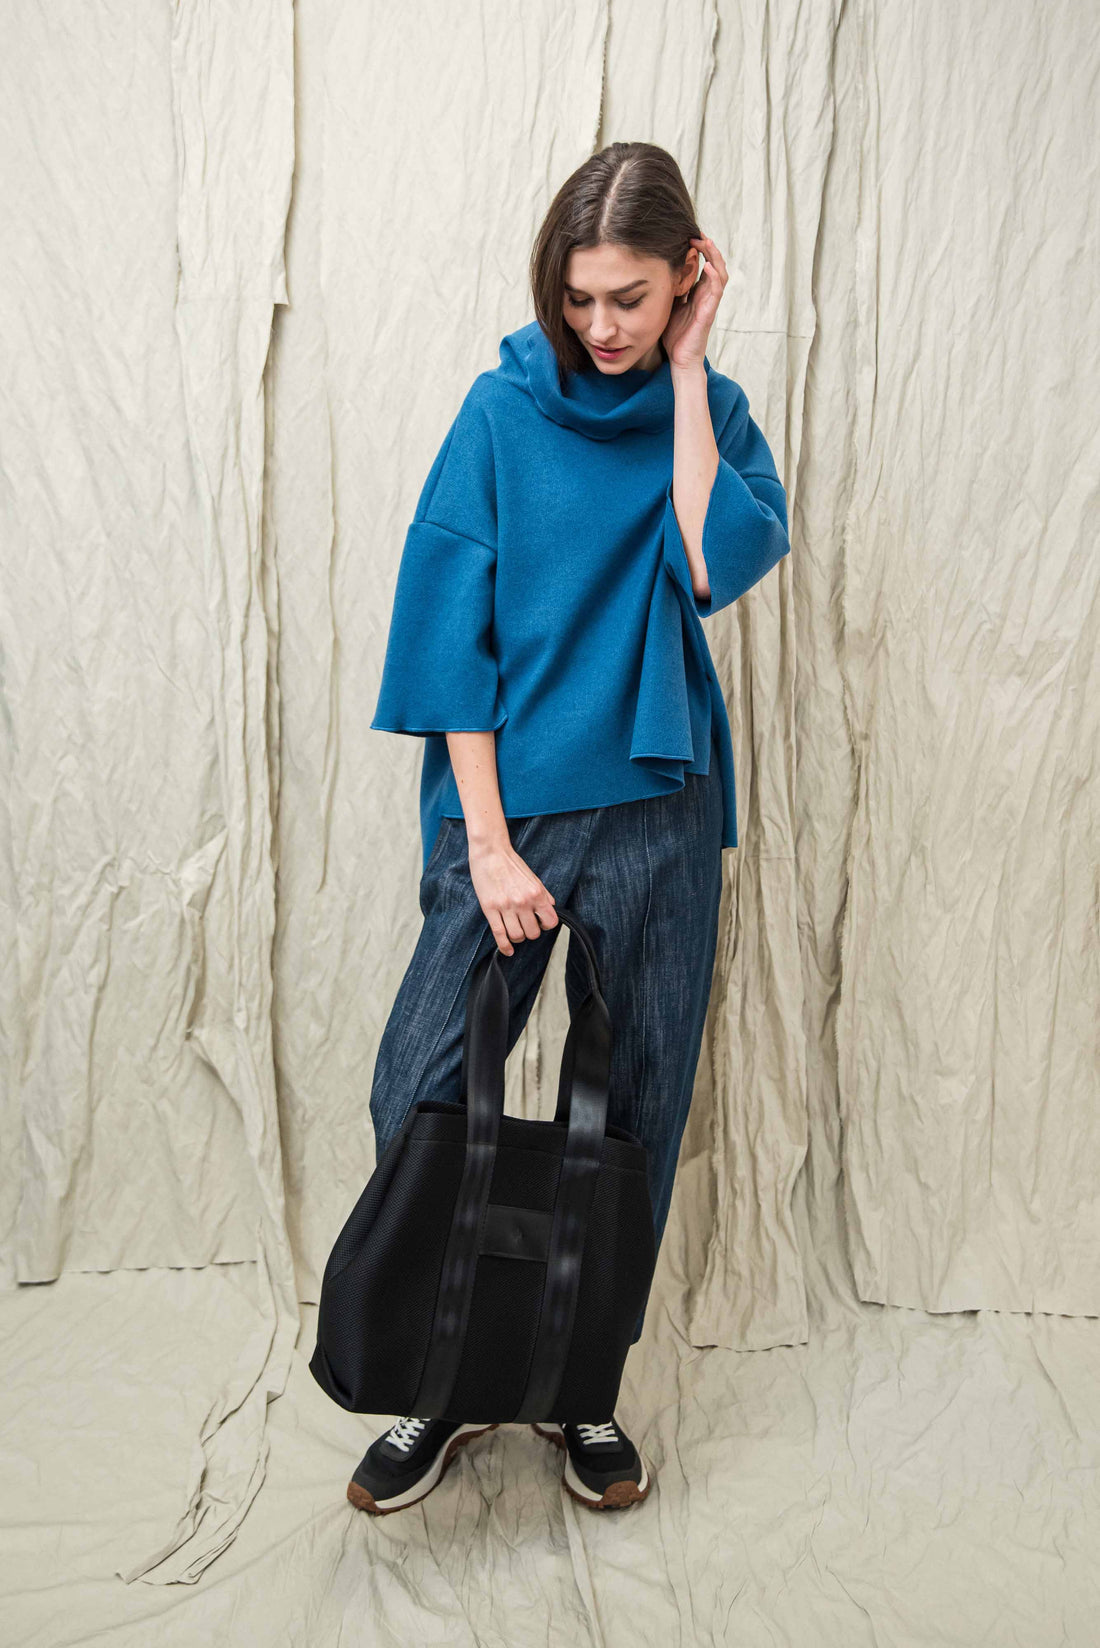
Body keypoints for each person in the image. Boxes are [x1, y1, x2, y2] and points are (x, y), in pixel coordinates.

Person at [346, 140, 790, 1516]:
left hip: (660, 806)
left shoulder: (704, 408)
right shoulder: (498, 413)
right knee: (422, 1086)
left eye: (633, 299)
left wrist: (689, 373)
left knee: (636, 1113)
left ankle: (580, 1379)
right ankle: (444, 1377)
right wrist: (487, 846)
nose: (601, 325)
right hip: (511, 815)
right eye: (581, 296)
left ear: (685, 282)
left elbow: (713, 562)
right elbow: (447, 639)